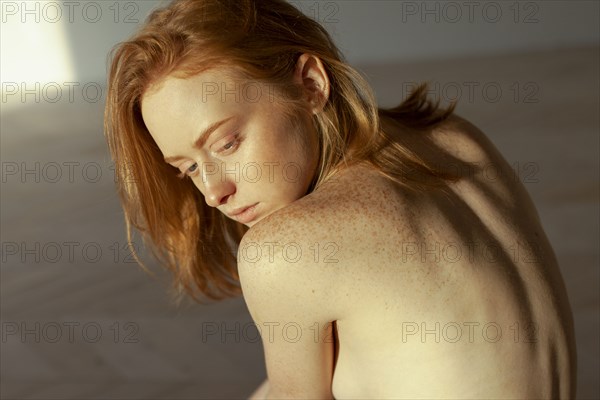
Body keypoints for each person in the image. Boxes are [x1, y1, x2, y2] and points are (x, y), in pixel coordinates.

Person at [103, 0, 577, 398]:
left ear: (310, 83)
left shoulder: (287, 247)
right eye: (187, 168)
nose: (213, 192)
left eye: (226, 144)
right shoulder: (459, 140)